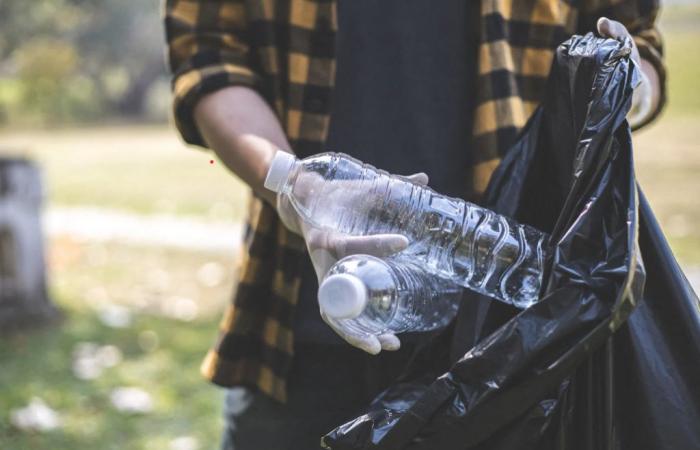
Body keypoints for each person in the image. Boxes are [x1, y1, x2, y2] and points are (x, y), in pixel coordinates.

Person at [164, 1, 665, 448]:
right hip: (297, 320)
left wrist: (625, 86)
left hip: (509, 330)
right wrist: (294, 186)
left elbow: (636, 39)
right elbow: (208, 56)